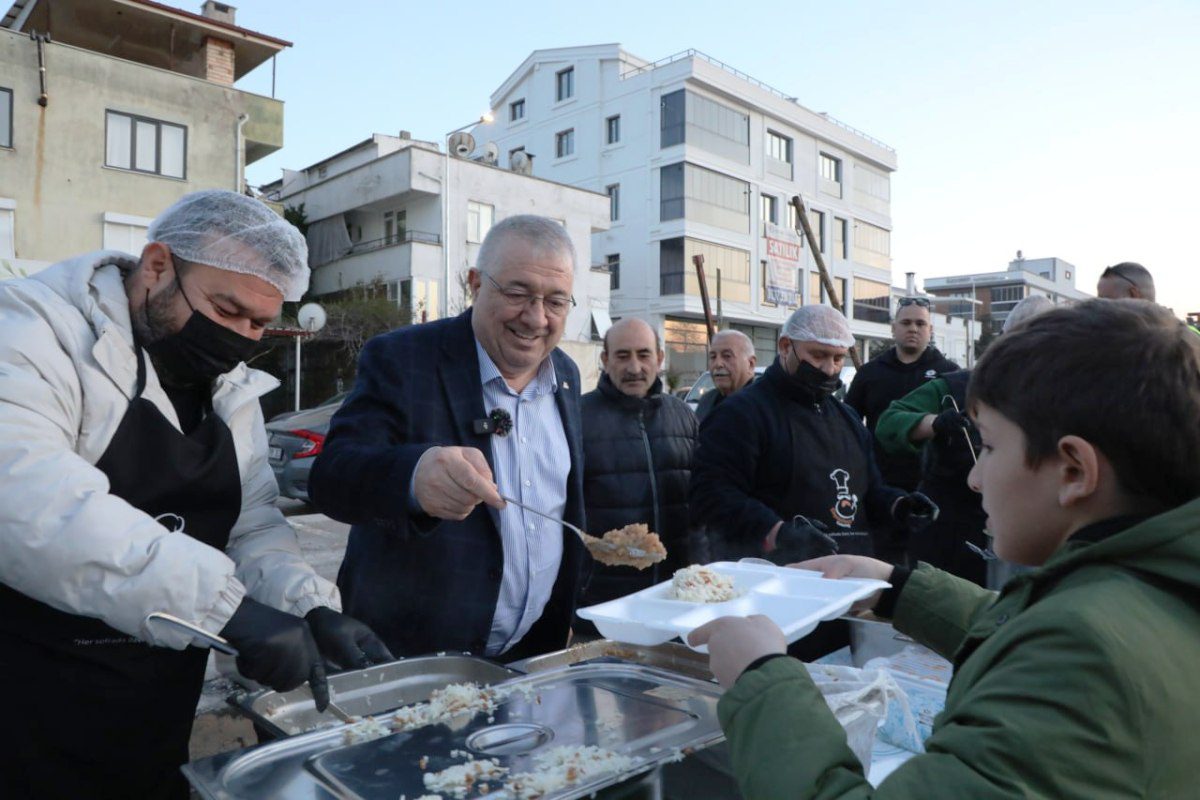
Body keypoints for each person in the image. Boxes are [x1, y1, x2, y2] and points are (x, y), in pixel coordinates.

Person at [690, 299, 1200, 799]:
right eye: (817, 355)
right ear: (785, 348)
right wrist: (893, 587)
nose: (975, 478)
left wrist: (761, 682)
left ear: (1074, 472)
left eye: (990, 447)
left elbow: (1058, 643)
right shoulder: (1148, 591)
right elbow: (1027, 624)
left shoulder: (1082, 657)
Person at [0, 190, 391, 799]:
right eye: (226, 309)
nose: (239, 339)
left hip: (155, 698)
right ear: (158, 267)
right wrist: (227, 610)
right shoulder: (33, 331)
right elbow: (30, 503)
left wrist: (303, 605)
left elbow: (251, 523)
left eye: (258, 324)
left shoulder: (230, 390)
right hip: (27, 694)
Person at [309, 215, 590, 661]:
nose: (536, 318)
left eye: (556, 301)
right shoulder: (402, 358)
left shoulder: (567, 375)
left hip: (531, 654)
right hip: (411, 659)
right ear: (475, 284)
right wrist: (412, 478)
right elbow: (331, 477)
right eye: (517, 293)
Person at [690, 304, 938, 569]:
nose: (829, 369)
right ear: (786, 347)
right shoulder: (741, 414)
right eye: (819, 355)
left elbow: (868, 489)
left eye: (838, 358)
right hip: (773, 577)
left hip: (848, 574)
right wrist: (778, 533)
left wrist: (898, 504)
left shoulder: (848, 419)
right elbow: (712, 493)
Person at [874, 295, 1053, 585]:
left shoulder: (1057, 395)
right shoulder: (957, 385)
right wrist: (935, 423)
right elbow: (889, 423)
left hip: (1016, 530)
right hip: (949, 527)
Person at [579, 317, 698, 607]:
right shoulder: (577, 417)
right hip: (602, 596)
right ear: (605, 360)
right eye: (622, 356)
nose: (634, 368)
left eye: (644, 355)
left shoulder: (684, 416)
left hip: (676, 592)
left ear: (659, 358)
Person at [845, 297, 958, 562]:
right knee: (882, 564)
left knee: (927, 566)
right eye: (906, 322)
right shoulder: (870, 373)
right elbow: (848, 426)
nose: (913, 329)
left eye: (920, 323)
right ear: (893, 328)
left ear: (930, 330)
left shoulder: (949, 375)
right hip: (880, 487)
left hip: (932, 488)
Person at [695, 329, 757, 422]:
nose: (718, 364)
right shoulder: (706, 401)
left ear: (750, 364)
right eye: (713, 357)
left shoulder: (763, 404)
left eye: (727, 356)